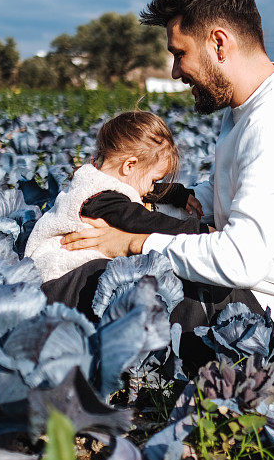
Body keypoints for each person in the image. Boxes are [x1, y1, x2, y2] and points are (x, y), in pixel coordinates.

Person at [62, 0, 274, 364]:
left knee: (96, 284)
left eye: (179, 53)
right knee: (104, 273)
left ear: (219, 42)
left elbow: (242, 260)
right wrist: (158, 201)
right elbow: (235, 190)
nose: (175, 72)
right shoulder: (249, 108)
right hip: (260, 296)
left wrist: (136, 242)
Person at [25, 111, 212, 317]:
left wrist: (177, 194)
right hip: (59, 284)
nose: (152, 189)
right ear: (129, 165)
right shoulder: (101, 197)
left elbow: (138, 195)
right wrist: (199, 231)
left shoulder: (99, 184)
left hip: (65, 283)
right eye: (154, 180)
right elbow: (144, 222)